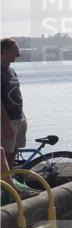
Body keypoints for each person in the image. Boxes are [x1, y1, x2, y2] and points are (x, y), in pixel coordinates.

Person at [1, 39, 26, 167]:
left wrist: (22, 116)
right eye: (15, 51)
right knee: (5, 154)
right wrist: (6, 124)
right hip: (6, 120)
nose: (18, 54)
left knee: (13, 151)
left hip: (18, 117)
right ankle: (5, 178)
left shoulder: (10, 71)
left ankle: (11, 176)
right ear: (5, 52)